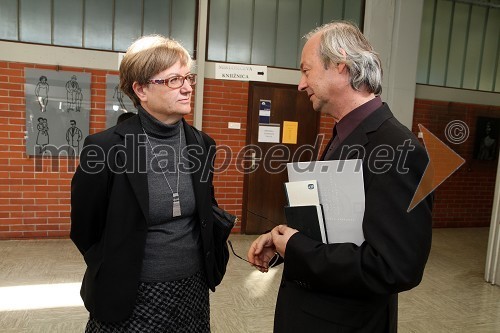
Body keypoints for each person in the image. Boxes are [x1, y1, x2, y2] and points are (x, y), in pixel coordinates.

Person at [247, 21, 433, 333]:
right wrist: (283, 240)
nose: (300, 84)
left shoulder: (399, 148)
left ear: (341, 68)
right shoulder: (345, 135)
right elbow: (336, 229)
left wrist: (297, 248)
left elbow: (394, 267)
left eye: (306, 71)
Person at [71, 35, 224, 332]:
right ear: (141, 89)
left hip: (192, 289)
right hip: (129, 293)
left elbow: (206, 212)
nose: (188, 87)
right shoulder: (104, 148)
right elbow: (84, 228)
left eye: (188, 78)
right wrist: (114, 266)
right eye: (173, 80)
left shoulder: (201, 144)